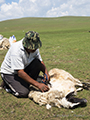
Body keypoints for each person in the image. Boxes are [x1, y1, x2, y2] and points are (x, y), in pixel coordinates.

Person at [0, 31, 50, 98]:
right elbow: (20, 73)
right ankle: (7, 85)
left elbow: (40, 61)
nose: (35, 49)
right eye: (32, 48)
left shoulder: (34, 48)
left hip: (23, 68)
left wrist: (46, 72)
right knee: (24, 93)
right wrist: (38, 85)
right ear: (26, 44)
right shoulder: (16, 50)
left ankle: (24, 82)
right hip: (10, 73)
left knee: (37, 63)